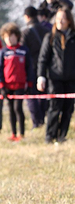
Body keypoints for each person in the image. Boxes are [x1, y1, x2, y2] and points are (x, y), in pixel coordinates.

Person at [37, 8, 75, 144]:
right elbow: (43, 59)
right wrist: (41, 76)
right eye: (58, 18)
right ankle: (50, 136)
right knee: (54, 108)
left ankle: (62, 136)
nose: (60, 21)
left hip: (71, 80)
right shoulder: (50, 37)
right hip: (55, 79)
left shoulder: (73, 37)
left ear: (69, 20)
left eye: (63, 18)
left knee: (68, 109)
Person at [0, 22, 34, 142]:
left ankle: (22, 133)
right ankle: (13, 133)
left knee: (18, 108)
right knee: (11, 109)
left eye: (11, 36)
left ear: (17, 36)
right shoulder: (3, 52)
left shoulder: (24, 50)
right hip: (8, 86)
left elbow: (29, 67)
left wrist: (29, 83)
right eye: (6, 37)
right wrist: (1, 85)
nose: (9, 39)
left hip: (20, 85)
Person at [21, 6, 49, 129]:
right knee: (43, 94)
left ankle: (36, 122)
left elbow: (22, 52)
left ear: (26, 17)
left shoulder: (25, 32)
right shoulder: (46, 30)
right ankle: (42, 118)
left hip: (31, 68)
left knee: (31, 96)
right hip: (45, 67)